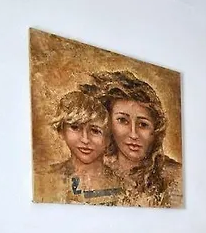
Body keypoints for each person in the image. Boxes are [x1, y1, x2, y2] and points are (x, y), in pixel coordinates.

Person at [81, 70, 182, 208]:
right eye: (123, 120)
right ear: (107, 124)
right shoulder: (92, 172)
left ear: (155, 130)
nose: (134, 134)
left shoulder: (175, 176)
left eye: (143, 124)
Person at [35, 91, 121, 205]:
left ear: (109, 138)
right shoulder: (45, 178)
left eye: (95, 131)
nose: (85, 140)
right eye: (75, 127)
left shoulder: (122, 185)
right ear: (61, 131)